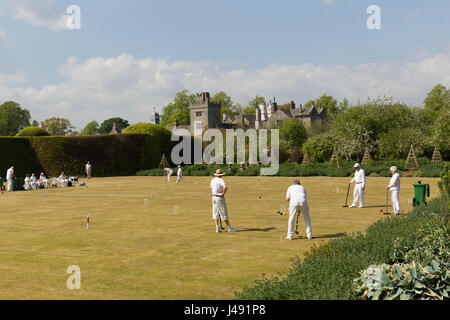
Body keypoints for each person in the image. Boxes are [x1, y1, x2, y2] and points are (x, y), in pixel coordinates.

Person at [210, 169, 237, 233]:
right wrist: (223, 193)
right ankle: (229, 227)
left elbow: (211, 188)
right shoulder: (221, 180)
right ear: (221, 175)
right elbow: (225, 187)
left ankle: (217, 228)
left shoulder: (212, 180)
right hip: (219, 198)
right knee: (223, 212)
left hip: (213, 197)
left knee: (215, 213)